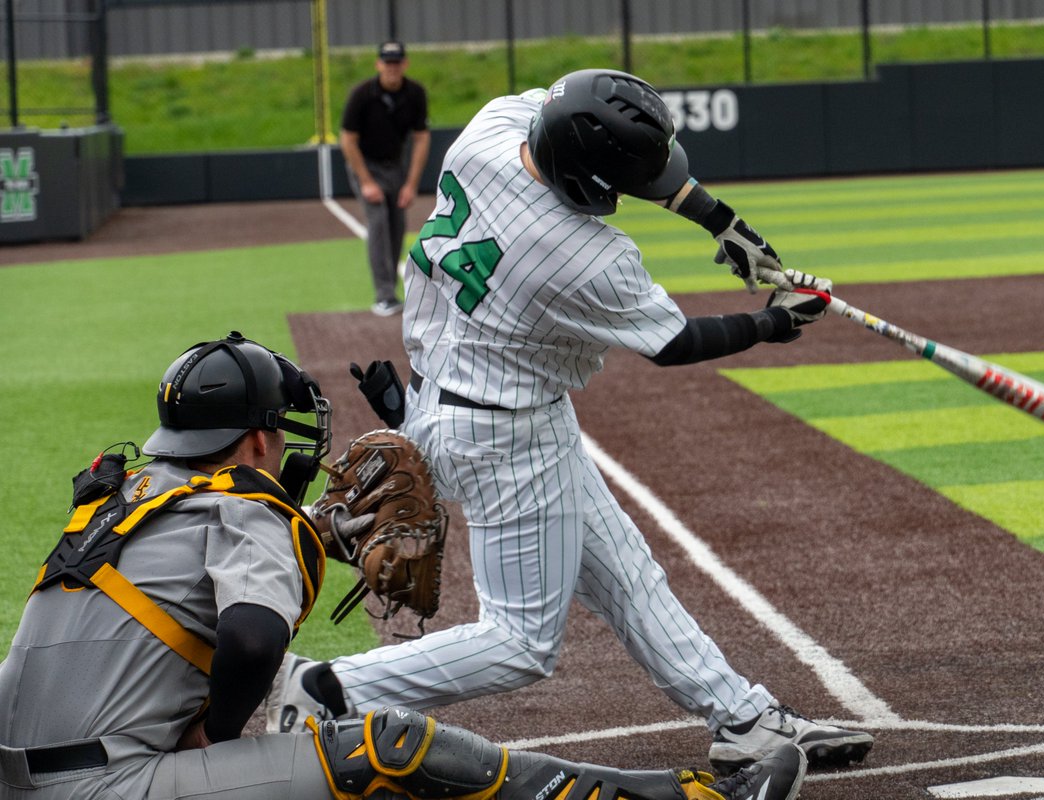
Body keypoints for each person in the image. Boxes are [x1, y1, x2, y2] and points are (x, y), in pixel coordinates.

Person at [267, 69, 875, 773]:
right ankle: (332, 686)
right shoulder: (582, 257)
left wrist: (720, 220)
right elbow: (675, 343)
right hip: (503, 437)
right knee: (521, 641)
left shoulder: (490, 131)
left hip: (459, 394)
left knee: (628, 575)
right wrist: (774, 322)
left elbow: (607, 146)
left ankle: (743, 721)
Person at [0, 331, 808, 800]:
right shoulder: (250, 506)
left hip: (19, 773)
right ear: (253, 442)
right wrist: (210, 731)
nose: (284, 449)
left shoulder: (119, 493)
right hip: (105, 789)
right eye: (278, 434)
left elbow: (176, 590)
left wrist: (320, 533)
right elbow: (248, 637)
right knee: (383, 745)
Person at [341, 40, 431, 317]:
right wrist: (366, 181)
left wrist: (411, 184)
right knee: (378, 222)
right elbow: (348, 140)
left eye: (397, 62)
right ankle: (384, 294)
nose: (392, 67)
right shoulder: (362, 94)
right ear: (378, 64)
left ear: (404, 63)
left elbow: (421, 138)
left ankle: (393, 289)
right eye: (387, 62)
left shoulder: (415, 93)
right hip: (365, 164)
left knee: (397, 224)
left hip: (396, 166)